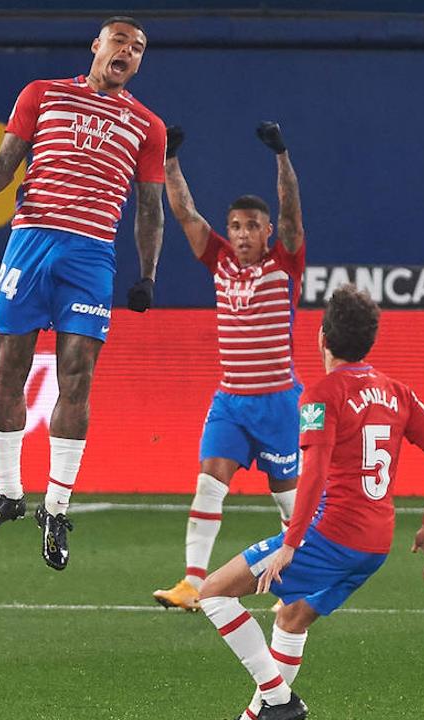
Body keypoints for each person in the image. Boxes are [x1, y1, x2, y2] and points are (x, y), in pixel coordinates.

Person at [0, 16, 166, 570]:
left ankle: (57, 508)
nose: (128, 52)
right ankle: (8, 492)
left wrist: (148, 275)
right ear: (97, 46)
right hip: (31, 242)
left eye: (138, 49)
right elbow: (2, 168)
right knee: (9, 368)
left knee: (77, 376)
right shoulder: (42, 95)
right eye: (120, 41)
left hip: (90, 255)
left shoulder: (147, 125)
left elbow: (148, 208)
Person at [194, 284, 424, 720]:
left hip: (331, 536)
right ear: (369, 340)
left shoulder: (321, 394)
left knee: (212, 593)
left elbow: (312, 473)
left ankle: (278, 699)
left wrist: (291, 544)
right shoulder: (398, 393)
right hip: (375, 544)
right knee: (292, 619)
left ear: (321, 339)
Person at [153, 122, 305, 612]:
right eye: (235, 226)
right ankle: (192, 583)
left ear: (267, 232)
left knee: (289, 502)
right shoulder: (218, 260)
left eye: (250, 227)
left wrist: (281, 155)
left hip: (278, 402)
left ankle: (301, 577)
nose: (240, 235)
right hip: (231, 402)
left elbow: (292, 210)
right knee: (208, 481)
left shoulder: (285, 261)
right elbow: (184, 213)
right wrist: (170, 160)